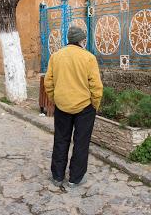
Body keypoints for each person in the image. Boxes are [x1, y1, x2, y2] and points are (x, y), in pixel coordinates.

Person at [44, 25, 103, 188]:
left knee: (61, 140)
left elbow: (48, 81)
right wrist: (95, 104)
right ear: (82, 41)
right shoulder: (89, 58)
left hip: (62, 106)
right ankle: (75, 179)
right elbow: (96, 86)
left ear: (69, 40)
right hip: (84, 107)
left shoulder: (56, 56)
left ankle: (57, 176)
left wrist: (55, 99)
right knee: (81, 142)